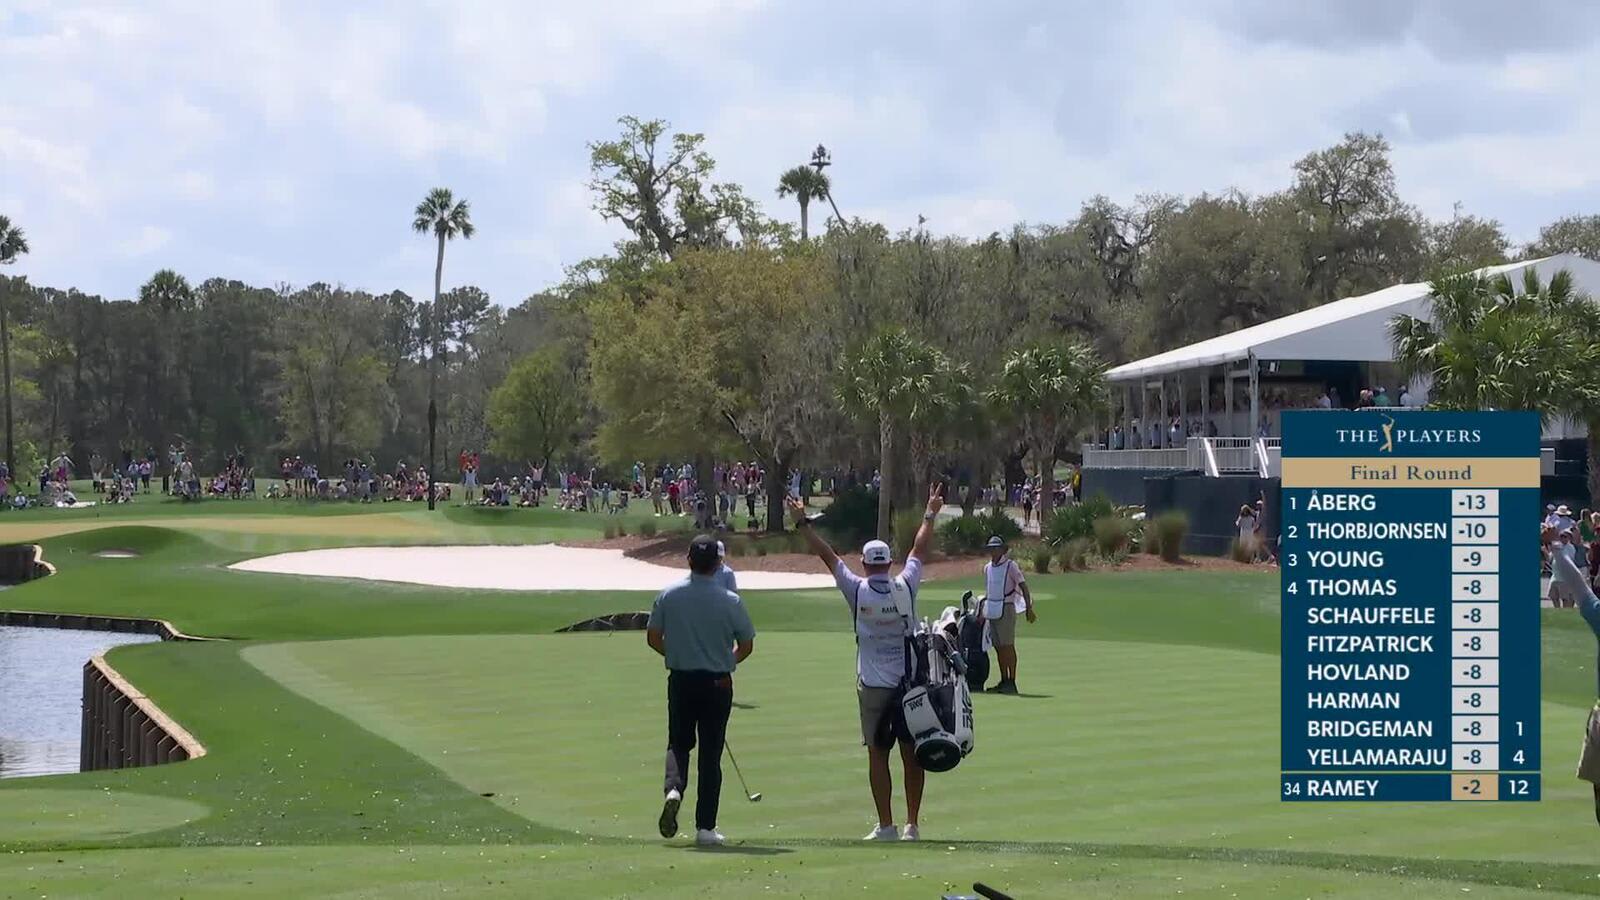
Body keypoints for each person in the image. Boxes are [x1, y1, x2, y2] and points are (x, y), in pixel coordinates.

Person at [788, 482, 944, 842]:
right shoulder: (906, 584)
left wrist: (802, 523)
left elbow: (828, 557)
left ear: (864, 563)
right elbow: (920, 548)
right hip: (910, 684)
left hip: (873, 686)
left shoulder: (856, 589)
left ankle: (886, 824)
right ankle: (912, 825)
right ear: (889, 563)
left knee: (878, 754)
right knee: (911, 753)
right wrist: (930, 513)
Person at [647, 535, 755, 846]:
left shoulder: (668, 595)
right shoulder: (730, 601)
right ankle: (706, 828)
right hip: (718, 684)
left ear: (689, 561)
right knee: (711, 754)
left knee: (679, 744)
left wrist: (676, 654)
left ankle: (673, 789)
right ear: (718, 564)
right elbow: (746, 645)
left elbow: (654, 637)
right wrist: (726, 663)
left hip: (681, 679)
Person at [981, 536, 1035, 694]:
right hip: (992, 609)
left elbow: (1023, 587)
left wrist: (1029, 608)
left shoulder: (1011, 566)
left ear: (1002, 550)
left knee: (1008, 646)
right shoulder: (988, 568)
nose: (993, 551)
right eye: (991, 548)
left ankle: (1012, 681)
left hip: (1006, 608)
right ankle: (1004, 680)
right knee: (998, 647)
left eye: (996, 548)